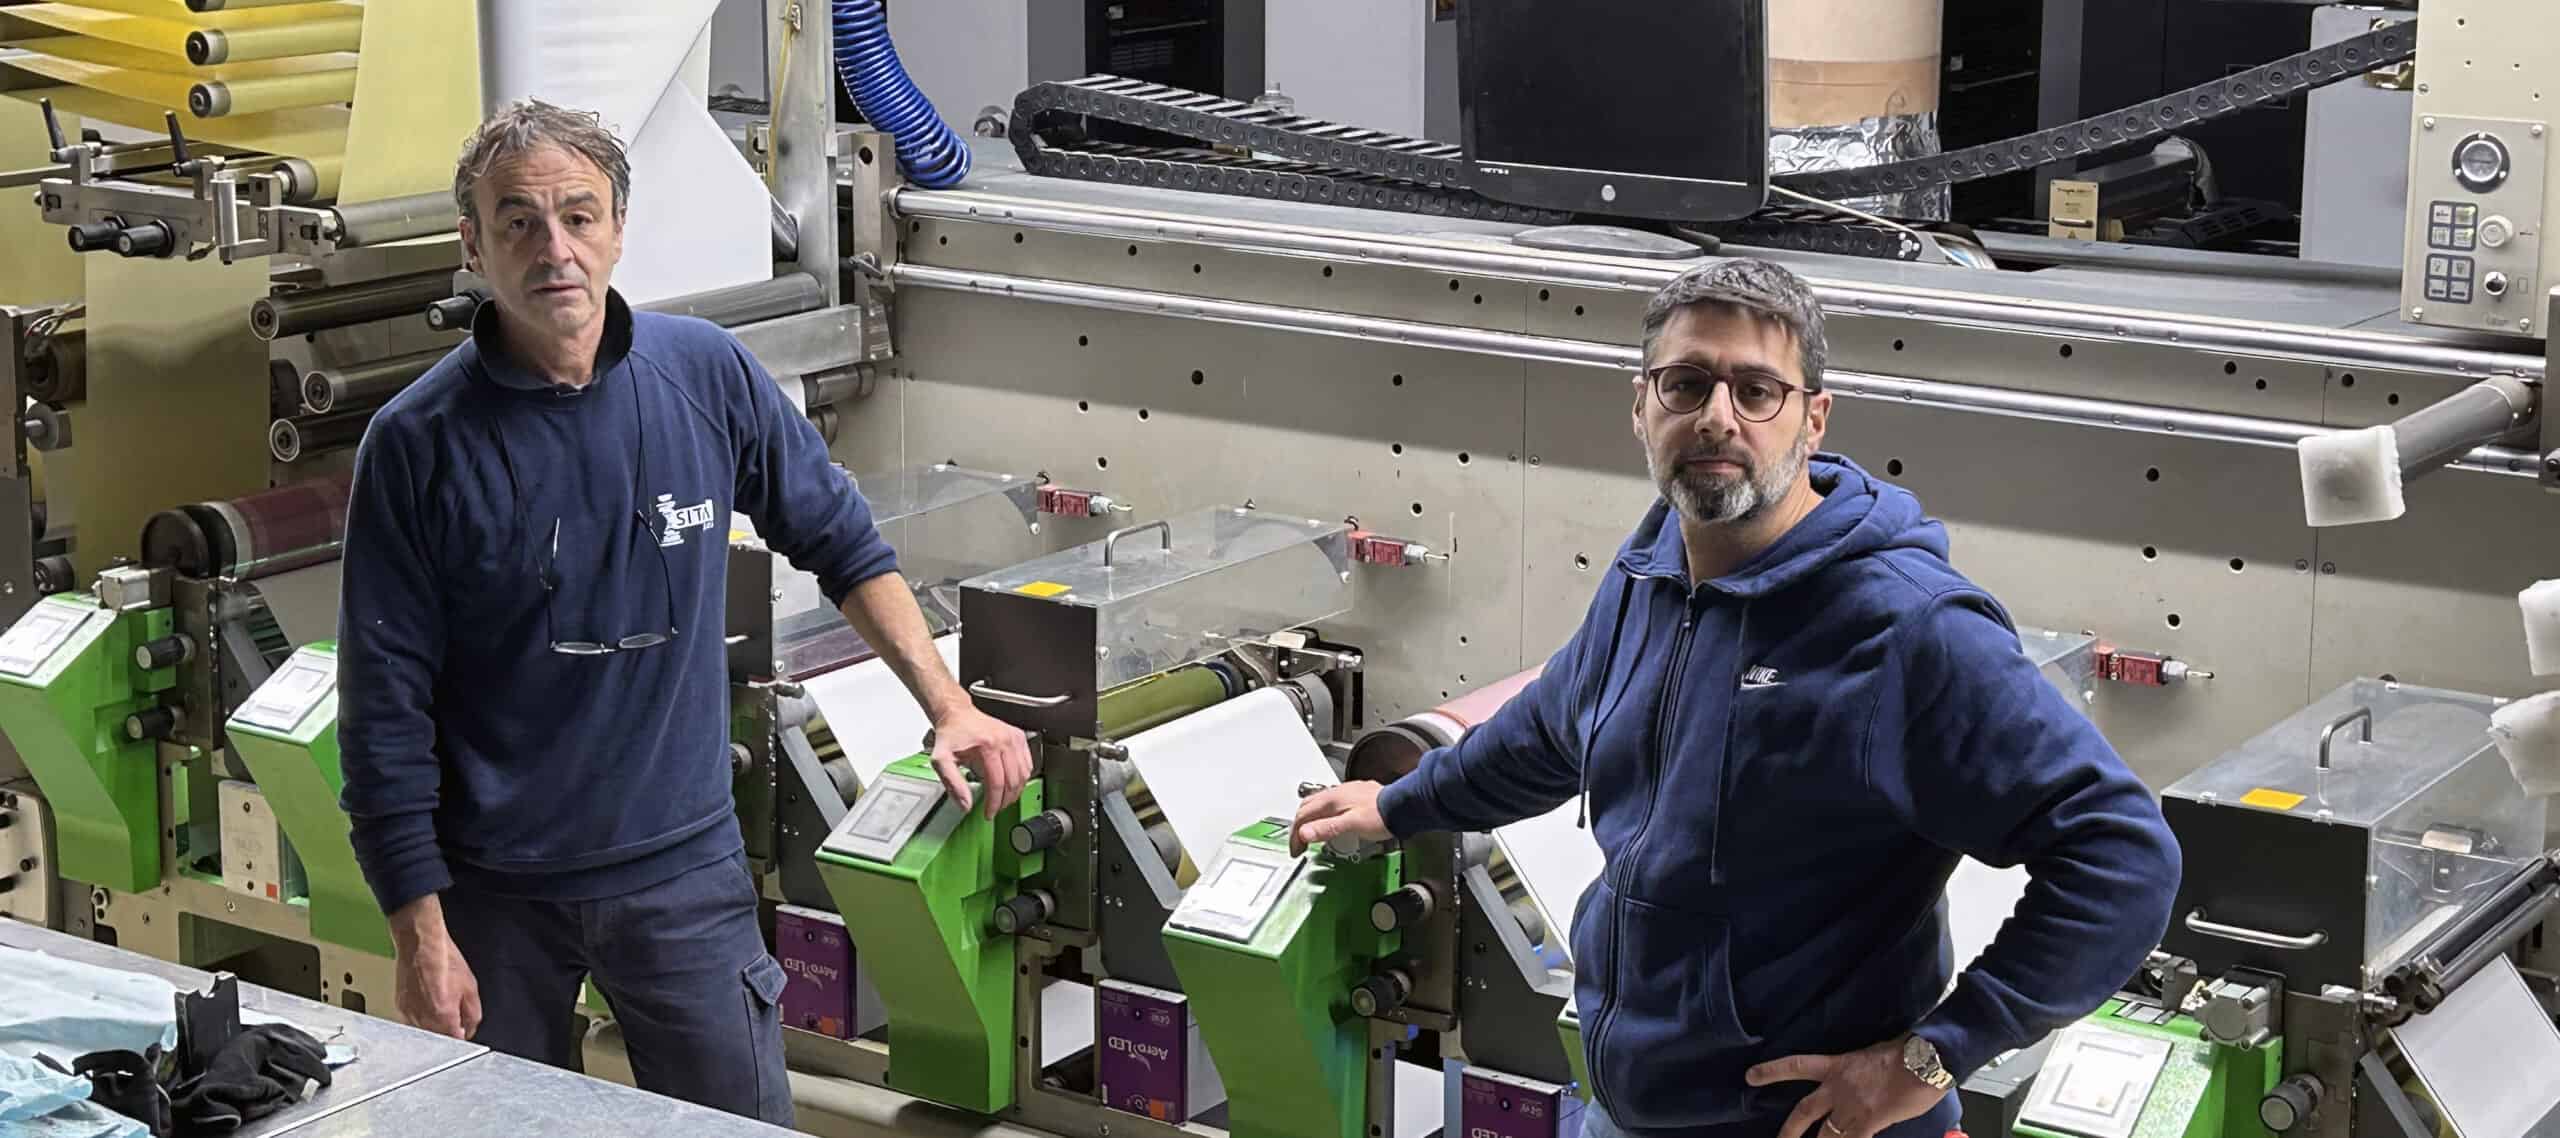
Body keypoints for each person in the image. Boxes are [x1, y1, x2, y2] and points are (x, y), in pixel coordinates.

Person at [1292, 259, 2181, 1138]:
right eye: (1686, 384)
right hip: (1637, 1108)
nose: (1718, 417)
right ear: (1640, 404)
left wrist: (1934, 1056)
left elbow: (2122, 859)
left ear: (1813, 419)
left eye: (1757, 390)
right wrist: (1402, 804)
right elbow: (1554, 727)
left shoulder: (1906, 629)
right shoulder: (1654, 566)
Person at [334, 99, 1034, 1125]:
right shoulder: (416, 444)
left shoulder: (703, 375)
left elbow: (842, 543)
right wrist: (418, 933)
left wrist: (948, 703)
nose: (555, 249)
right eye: (518, 221)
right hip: (495, 896)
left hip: (681, 875)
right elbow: (382, 711)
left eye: (579, 215)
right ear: (471, 244)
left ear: (619, 226)